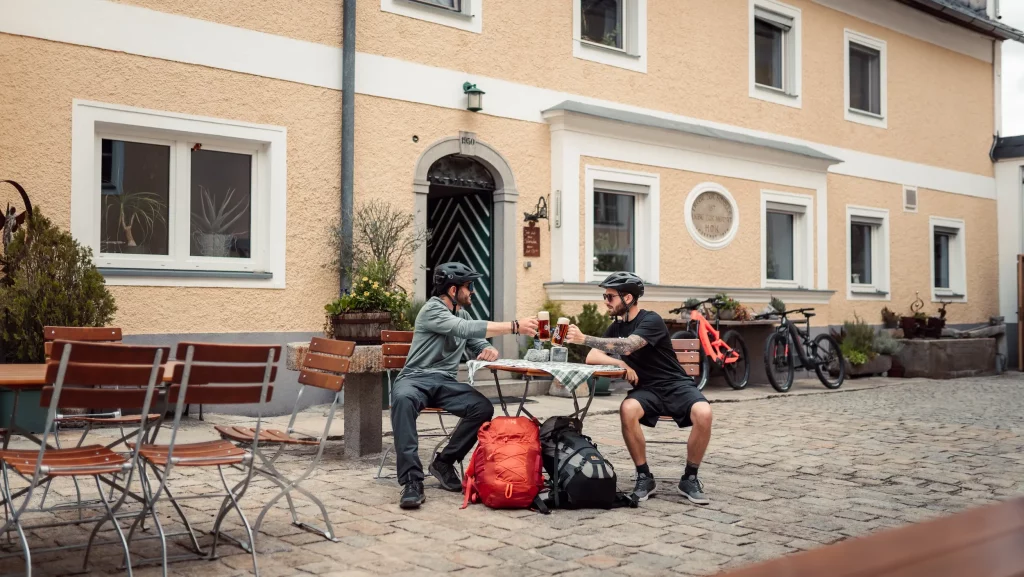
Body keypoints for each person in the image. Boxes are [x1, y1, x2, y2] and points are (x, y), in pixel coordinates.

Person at [390, 262, 539, 509]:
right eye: (468, 286)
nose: (472, 292)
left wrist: (488, 348)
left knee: (481, 408)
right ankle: (412, 481)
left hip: (444, 383)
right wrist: (514, 326)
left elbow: (475, 341)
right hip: (414, 379)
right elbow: (462, 329)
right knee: (403, 400)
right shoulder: (432, 310)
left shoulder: (463, 313)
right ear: (452, 290)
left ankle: (444, 462)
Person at [565, 272, 713, 505]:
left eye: (610, 297)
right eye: (605, 296)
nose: (605, 301)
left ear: (628, 298)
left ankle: (690, 478)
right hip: (647, 389)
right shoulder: (616, 326)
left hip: (676, 384)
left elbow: (630, 345)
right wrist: (620, 363)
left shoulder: (650, 320)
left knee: (704, 413)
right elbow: (593, 356)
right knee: (628, 409)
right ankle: (644, 476)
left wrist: (584, 338)